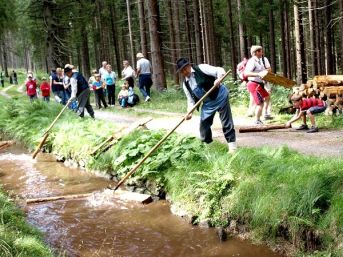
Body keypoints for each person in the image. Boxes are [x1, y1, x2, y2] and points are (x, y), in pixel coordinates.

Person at [176, 58, 237, 153]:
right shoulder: (186, 84)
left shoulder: (201, 68)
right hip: (208, 103)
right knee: (204, 124)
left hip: (220, 95)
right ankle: (208, 147)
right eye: (182, 71)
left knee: (226, 121)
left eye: (185, 68)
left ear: (189, 66)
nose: (184, 71)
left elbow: (219, 70)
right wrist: (189, 112)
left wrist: (218, 79)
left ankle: (232, 147)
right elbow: (191, 100)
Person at [244, 45, 272, 125]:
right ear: (256, 52)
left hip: (260, 84)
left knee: (267, 96)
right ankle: (257, 120)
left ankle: (264, 114)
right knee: (260, 103)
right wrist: (258, 74)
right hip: (254, 84)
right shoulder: (252, 61)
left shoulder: (259, 60)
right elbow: (246, 73)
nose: (262, 53)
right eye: (261, 51)